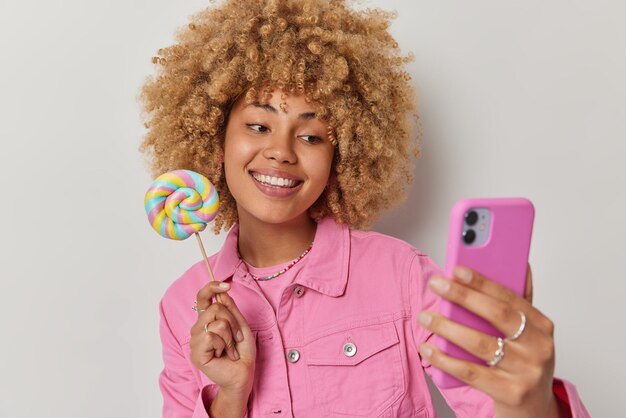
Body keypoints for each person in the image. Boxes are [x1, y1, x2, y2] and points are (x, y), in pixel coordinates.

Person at [139, 1, 590, 417]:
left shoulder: (404, 276)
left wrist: (532, 402)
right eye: (258, 126)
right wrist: (231, 395)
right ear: (215, 140)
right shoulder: (182, 305)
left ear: (343, 155)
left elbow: (491, 401)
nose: (280, 152)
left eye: (311, 135)